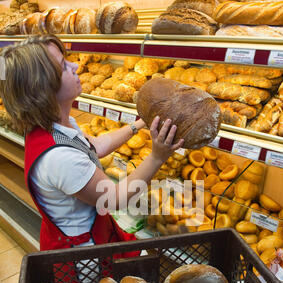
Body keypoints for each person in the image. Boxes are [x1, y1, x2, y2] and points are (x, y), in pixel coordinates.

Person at [0, 34, 184, 262]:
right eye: (63, 66)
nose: (75, 65)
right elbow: (114, 199)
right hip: (85, 258)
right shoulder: (60, 158)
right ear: (43, 88)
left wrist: (139, 125)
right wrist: (157, 157)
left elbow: (94, 146)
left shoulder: (53, 127)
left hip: (88, 236)